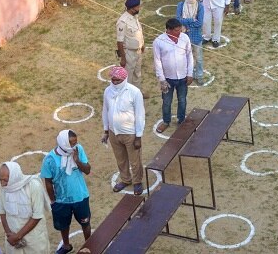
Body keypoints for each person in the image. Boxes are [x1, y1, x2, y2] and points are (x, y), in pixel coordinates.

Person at [41, 130, 92, 254]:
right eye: (72, 143)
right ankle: (66, 245)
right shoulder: (49, 160)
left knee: (85, 223)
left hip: (80, 196)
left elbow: (87, 170)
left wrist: (77, 160)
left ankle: (89, 245)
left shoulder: (78, 149)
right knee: (63, 225)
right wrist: (53, 200)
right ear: (63, 144)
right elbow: (48, 181)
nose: (74, 145)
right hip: (61, 200)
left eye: (75, 142)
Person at [101, 66, 145, 196]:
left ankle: (137, 182)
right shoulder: (108, 91)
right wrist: (106, 130)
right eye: (112, 79)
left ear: (124, 79)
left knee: (135, 160)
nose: (114, 82)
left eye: (117, 80)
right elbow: (105, 111)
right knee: (120, 159)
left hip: (130, 133)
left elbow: (140, 115)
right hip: (114, 132)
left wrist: (138, 136)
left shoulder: (134, 92)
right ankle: (125, 179)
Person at [0, 161, 51, 254]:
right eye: (1, 180)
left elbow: (37, 216)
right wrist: (9, 234)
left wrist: (18, 236)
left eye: (5, 180)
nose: (2, 183)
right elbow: (2, 212)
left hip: (34, 239)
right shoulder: (4, 188)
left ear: (14, 177)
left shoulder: (33, 186)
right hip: (12, 239)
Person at [153, 18, 194, 133]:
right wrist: (162, 80)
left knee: (182, 100)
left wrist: (190, 73)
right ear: (168, 30)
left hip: (183, 77)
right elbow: (157, 61)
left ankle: (181, 120)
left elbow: (189, 56)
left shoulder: (184, 38)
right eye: (176, 30)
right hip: (168, 79)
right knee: (166, 101)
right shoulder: (159, 41)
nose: (179, 32)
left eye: (180, 30)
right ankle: (166, 121)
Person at [116, 0, 146, 97]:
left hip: (137, 51)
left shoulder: (134, 17)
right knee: (128, 75)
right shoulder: (123, 22)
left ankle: (137, 94)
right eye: (137, 7)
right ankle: (126, 96)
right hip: (129, 52)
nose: (139, 8)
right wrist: (123, 58)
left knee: (137, 73)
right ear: (132, 8)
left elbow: (138, 32)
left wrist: (142, 44)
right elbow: (120, 41)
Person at [176, 0, 206, 85]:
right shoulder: (181, 5)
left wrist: (186, 23)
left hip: (196, 35)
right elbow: (178, 19)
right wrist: (191, 20)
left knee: (199, 58)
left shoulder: (200, 6)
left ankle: (199, 75)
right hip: (184, 35)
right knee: (185, 57)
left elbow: (200, 23)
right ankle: (188, 75)